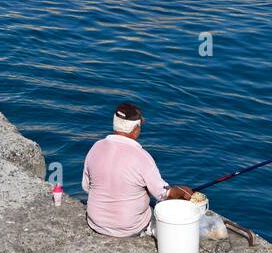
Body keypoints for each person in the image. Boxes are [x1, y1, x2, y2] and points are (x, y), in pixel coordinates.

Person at [82, 102, 193, 238]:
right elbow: (163, 194)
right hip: (129, 228)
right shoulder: (142, 157)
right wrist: (181, 190)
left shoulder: (96, 148)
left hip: (95, 222)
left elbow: (86, 187)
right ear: (135, 130)